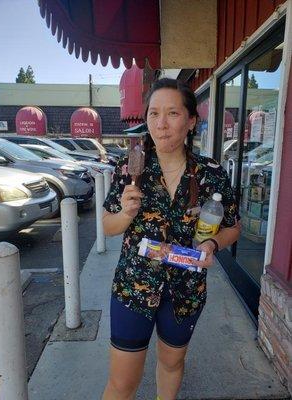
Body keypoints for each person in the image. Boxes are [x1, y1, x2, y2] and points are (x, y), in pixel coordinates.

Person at [102, 78, 241, 400]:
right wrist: (125, 214)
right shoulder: (129, 168)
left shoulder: (211, 173)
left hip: (185, 289)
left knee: (172, 363)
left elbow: (233, 227)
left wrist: (212, 243)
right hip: (134, 287)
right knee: (122, 383)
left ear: (191, 120)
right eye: (153, 114)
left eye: (173, 114)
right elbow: (109, 227)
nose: (161, 125)